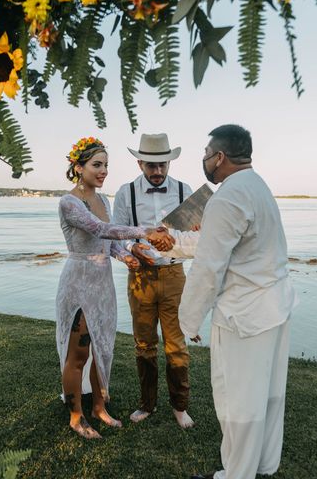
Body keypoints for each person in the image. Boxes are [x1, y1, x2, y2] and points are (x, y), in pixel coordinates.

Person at [159, 125, 298, 478]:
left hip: (244, 316)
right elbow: (224, 245)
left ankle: (235, 474)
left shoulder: (227, 197)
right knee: (268, 397)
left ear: (219, 157)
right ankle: (263, 466)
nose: (204, 159)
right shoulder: (258, 186)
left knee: (238, 402)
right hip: (275, 307)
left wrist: (188, 320)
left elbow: (209, 266)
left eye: (206, 153)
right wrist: (173, 242)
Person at [55, 136, 172, 439]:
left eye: (106, 165)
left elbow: (109, 243)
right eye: (97, 165)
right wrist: (145, 231)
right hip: (79, 282)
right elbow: (100, 229)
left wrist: (126, 256)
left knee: (101, 349)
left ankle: (98, 408)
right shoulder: (69, 203)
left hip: (103, 283)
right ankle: (76, 415)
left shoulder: (103, 200)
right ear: (78, 167)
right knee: (78, 354)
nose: (104, 170)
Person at [112, 133, 195, 428]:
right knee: (144, 344)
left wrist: (175, 240)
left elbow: (198, 237)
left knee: (176, 343)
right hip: (140, 277)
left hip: (174, 275)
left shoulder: (186, 192)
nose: (157, 171)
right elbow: (114, 236)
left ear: (169, 162)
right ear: (139, 163)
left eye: (162, 165)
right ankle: (147, 404)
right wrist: (130, 249)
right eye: (151, 165)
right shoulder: (126, 193)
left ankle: (180, 407)